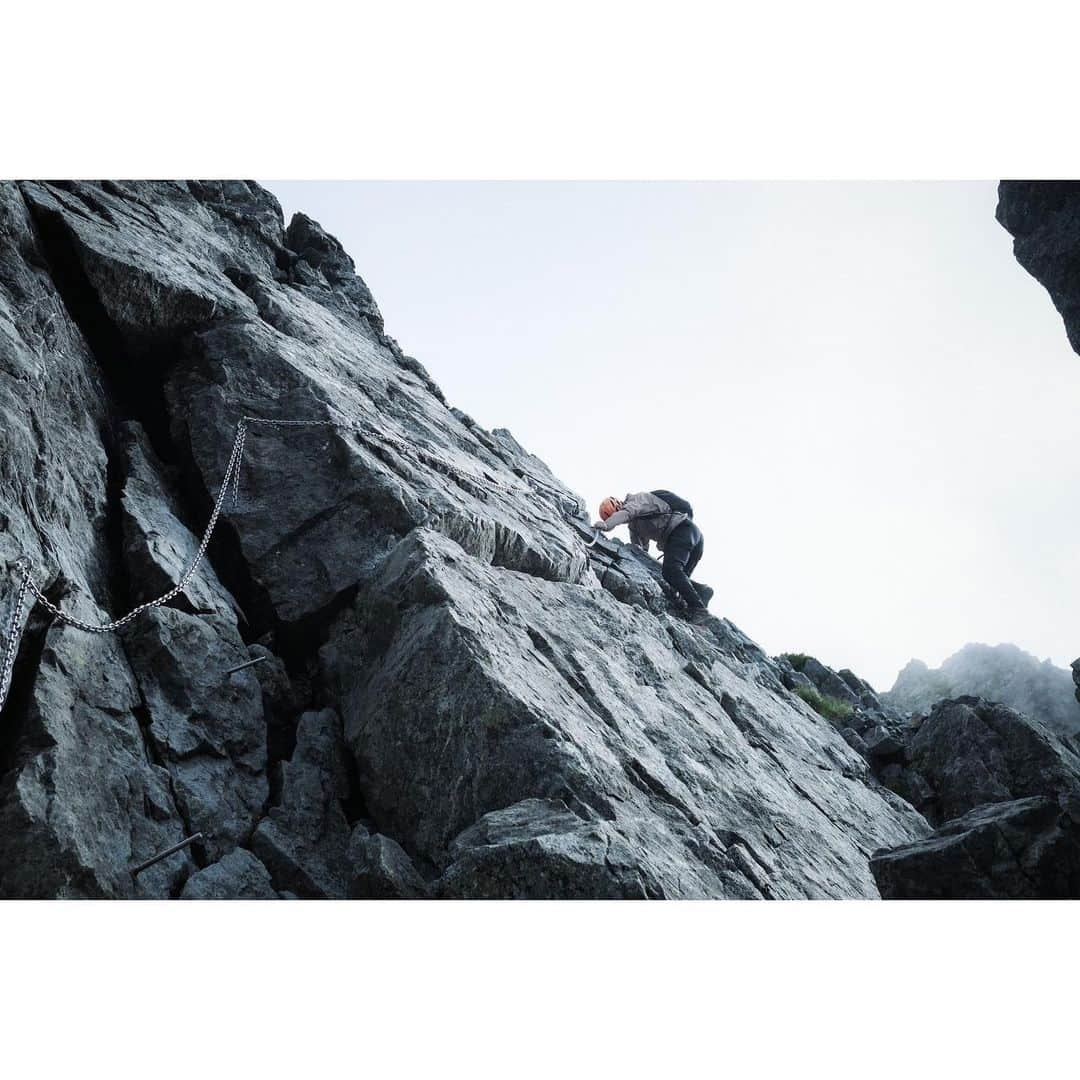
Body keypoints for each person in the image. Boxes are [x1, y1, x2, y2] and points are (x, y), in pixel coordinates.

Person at [593, 492, 710, 625]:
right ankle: (702, 592)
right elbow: (640, 550)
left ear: (618, 505)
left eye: (614, 513)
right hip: (690, 536)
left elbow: (627, 513)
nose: (618, 516)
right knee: (676, 582)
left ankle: (699, 610)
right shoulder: (635, 526)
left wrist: (607, 525)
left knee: (671, 571)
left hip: (684, 531)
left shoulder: (639, 499)